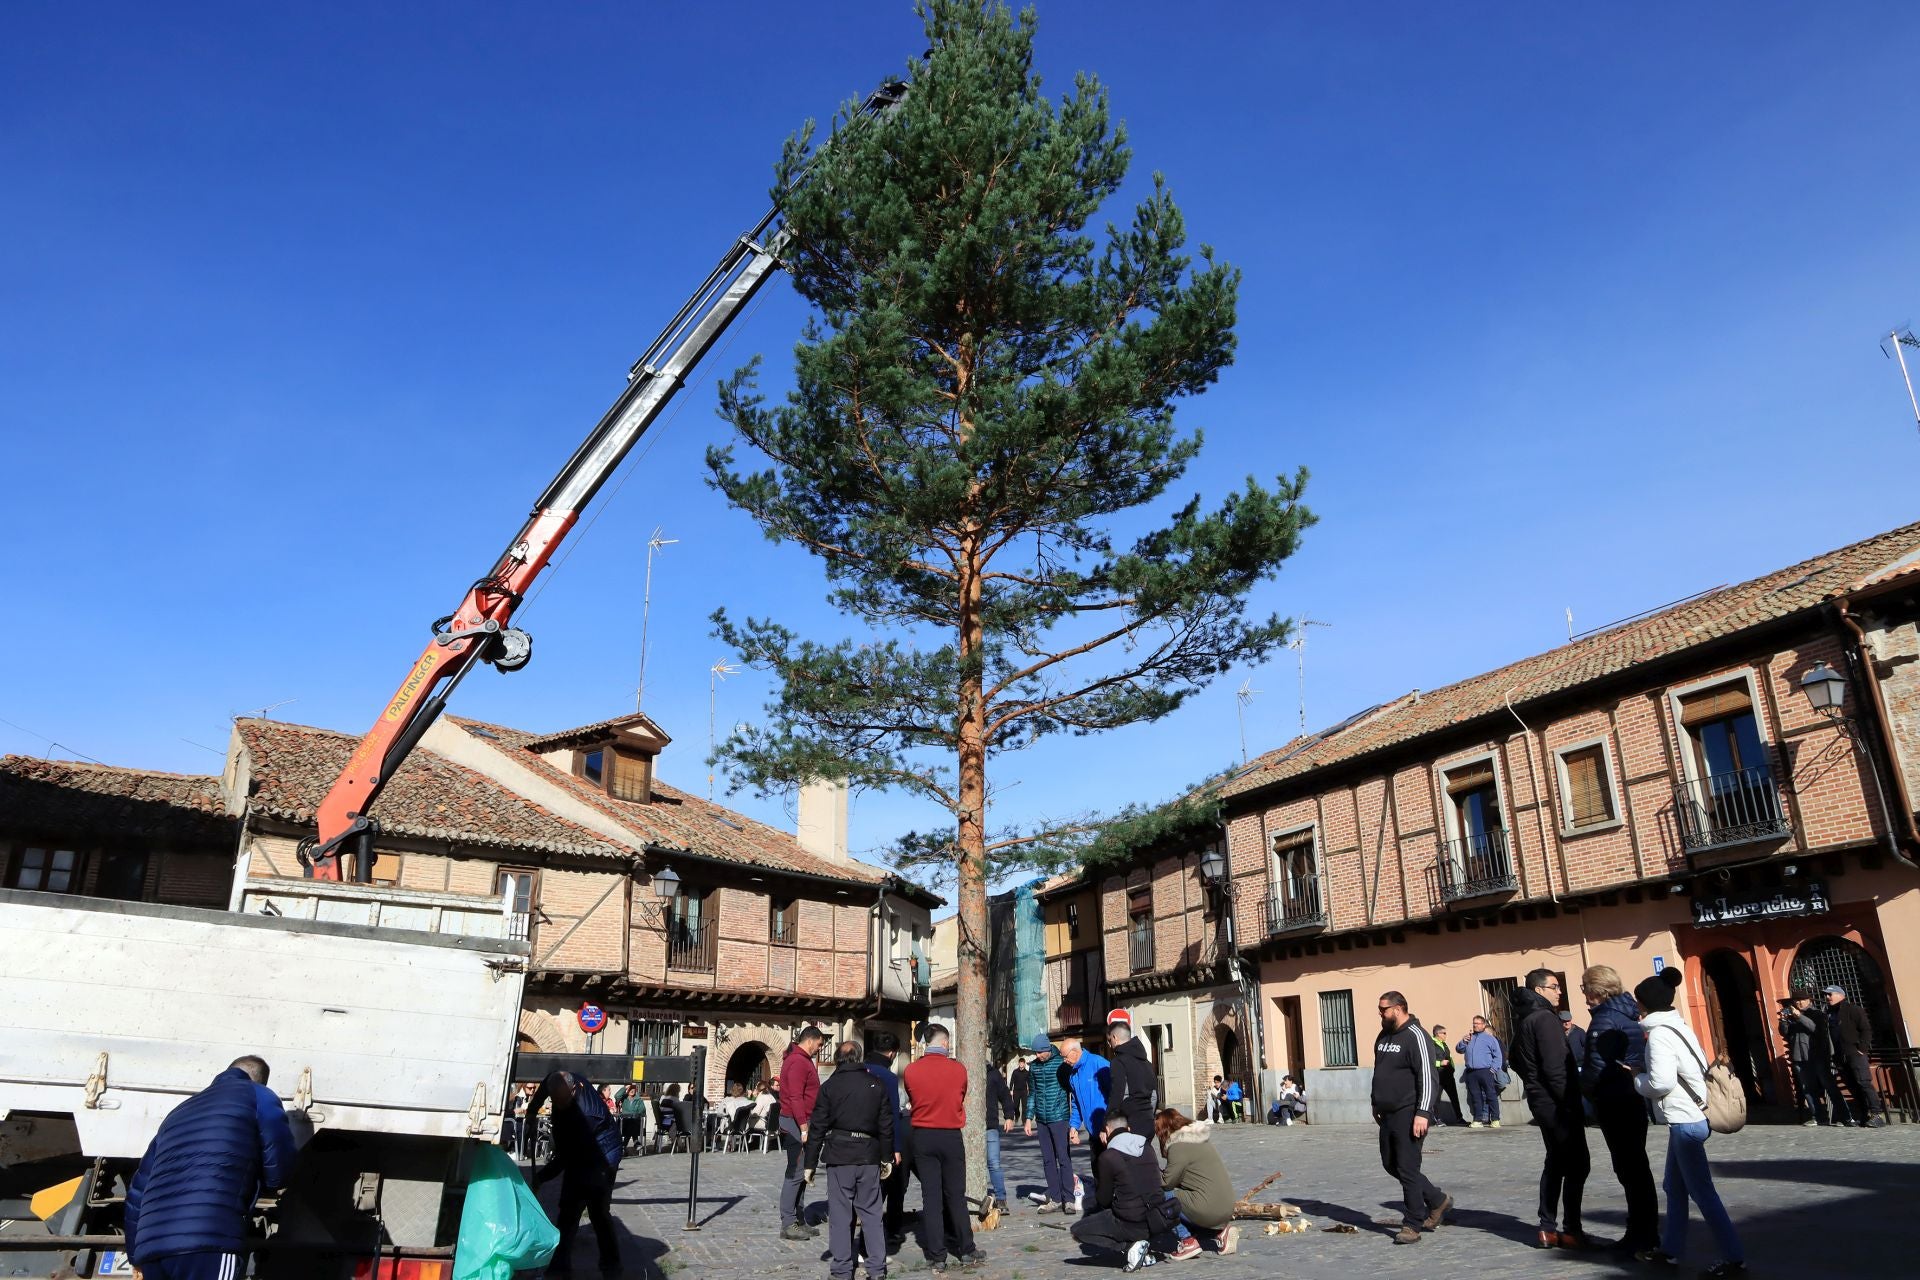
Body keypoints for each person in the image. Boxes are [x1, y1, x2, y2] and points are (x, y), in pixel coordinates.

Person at [123, 1055, 297, 1280]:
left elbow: (137, 1192)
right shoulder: (257, 1095)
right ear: (259, 1080)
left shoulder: (177, 1113)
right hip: (209, 1241)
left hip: (152, 1249)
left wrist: (135, 1256)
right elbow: (279, 1161)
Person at [1634, 968, 1744, 1277]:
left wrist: (1635, 1078)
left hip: (1685, 1120)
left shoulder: (1658, 1036)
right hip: (1693, 1116)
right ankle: (1670, 1251)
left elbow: (1661, 1083)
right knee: (1674, 1186)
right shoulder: (1681, 1027)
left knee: (1703, 1192)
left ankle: (1734, 1258)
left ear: (1645, 1004)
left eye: (1638, 1001)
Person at [1511, 969, 1594, 1251]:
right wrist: (1570, 1104)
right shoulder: (1545, 1019)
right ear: (1538, 990)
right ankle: (1571, 1229)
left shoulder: (1525, 1017)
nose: (1560, 991)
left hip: (1542, 1101)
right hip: (1557, 1104)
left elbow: (1515, 1059)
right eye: (1555, 986)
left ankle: (1547, 1228)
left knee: (1556, 1162)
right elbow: (1556, 1068)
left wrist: (1533, 1084)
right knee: (1577, 1164)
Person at [1579, 964, 1658, 1255]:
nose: (1584, 994)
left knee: (1629, 1169)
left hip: (1613, 1099)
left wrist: (1584, 1091)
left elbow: (1596, 1067)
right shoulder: (1629, 1014)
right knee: (1638, 1168)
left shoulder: (1605, 1020)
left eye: (1585, 987)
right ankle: (1644, 1230)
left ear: (1597, 991)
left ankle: (1640, 1234)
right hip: (1632, 1097)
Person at [804, 1041, 898, 1280]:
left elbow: (817, 1128)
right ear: (859, 1058)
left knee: (840, 1214)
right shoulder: (875, 1085)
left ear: (838, 1059)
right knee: (872, 1214)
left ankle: (842, 1269)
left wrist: (810, 1163)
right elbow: (886, 1125)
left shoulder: (830, 1086)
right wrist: (886, 1157)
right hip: (868, 1155)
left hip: (840, 1156)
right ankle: (876, 1269)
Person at [901, 1024, 982, 1274]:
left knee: (931, 1197)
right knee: (955, 1195)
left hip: (923, 1136)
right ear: (945, 1043)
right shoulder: (958, 1069)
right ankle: (966, 1249)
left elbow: (912, 1099)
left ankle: (937, 1255)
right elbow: (961, 1096)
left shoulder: (912, 1071)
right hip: (950, 1135)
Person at [527, 1070, 623, 1277]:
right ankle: (560, 1267)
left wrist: (540, 1178)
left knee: (596, 1211)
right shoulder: (558, 1080)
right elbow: (545, 1086)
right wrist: (531, 1113)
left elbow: (566, 1158)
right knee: (568, 1212)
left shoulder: (587, 1115)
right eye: (555, 1101)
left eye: (562, 1101)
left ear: (574, 1089)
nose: (559, 1106)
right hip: (578, 1151)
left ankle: (611, 1266)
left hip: (603, 1155)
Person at [1373, 991, 1450, 1245]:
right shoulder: (1384, 1036)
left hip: (1410, 1111)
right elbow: (1380, 1072)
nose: (1380, 1013)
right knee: (1390, 1164)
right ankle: (1438, 1200)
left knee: (1407, 1167)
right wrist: (1376, 1102)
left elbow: (1427, 1077)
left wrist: (1423, 1113)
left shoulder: (1417, 1036)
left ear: (1398, 1008)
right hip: (1388, 1113)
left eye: (1383, 1009)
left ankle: (1413, 1223)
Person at [1068, 1115, 1181, 1272]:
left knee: (1077, 1231)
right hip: (1158, 1218)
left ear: (1107, 1131)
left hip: (1131, 1222)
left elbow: (1104, 1200)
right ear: (1128, 1130)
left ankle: (1130, 1247)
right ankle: (1142, 1249)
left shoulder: (1108, 1156)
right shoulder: (1147, 1147)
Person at [1156, 1109, 1239, 1255]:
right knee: (1184, 1199)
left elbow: (1166, 1183)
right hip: (1227, 1205)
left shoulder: (1178, 1146)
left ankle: (1187, 1241)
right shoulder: (1199, 1139)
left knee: (1162, 1195)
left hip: (1208, 1206)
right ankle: (1220, 1232)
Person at [778, 1025, 827, 1240]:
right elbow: (796, 1097)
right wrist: (804, 1127)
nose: (819, 1048)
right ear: (811, 1040)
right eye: (819, 1044)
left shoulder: (800, 1060)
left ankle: (799, 1219)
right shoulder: (798, 1062)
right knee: (795, 1173)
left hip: (801, 1123)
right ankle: (788, 1223)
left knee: (803, 1174)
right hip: (797, 1125)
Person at [1778, 989, 1849, 1126]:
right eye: (1796, 1000)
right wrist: (1783, 1021)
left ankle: (1844, 1116)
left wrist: (1800, 1017)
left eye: (1802, 1000)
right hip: (1799, 1056)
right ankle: (1818, 1117)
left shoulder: (1817, 1014)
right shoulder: (1791, 1016)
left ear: (1809, 1000)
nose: (1798, 1002)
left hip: (1817, 1056)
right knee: (1808, 1088)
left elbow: (1815, 1029)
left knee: (1829, 1086)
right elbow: (1785, 1033)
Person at [1025, 1035, 1075, 1214]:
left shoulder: (1061, 1064)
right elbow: (1032, 1094)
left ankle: (1068, 1199)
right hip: (1042, 1120)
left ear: (1048, 1049)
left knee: (1063, 1158)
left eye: (1040, 1052)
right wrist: (1028, 1118)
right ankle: (1054, 1197)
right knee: (1047, 1160)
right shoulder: (1034, 1067)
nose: (1038, 1055)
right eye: (1036, 1052)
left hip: (1059, 1117)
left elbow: (1071, 1088)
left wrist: (1074, 1120)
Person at [1824, 984, 1887, 1126]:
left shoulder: (1853, 1009)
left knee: (1863, 1082)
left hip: (1855, 1053)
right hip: (1840, 1056)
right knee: (1852, 1085)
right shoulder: (1829, 1013)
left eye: (1830, 994)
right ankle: (1864, 1115)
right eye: (1826, 995)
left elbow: (1866, 1029)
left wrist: (1861, 1049)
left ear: (1841, 995)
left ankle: (1877, 1114)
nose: (1827, 997)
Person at [1060, 1035, 1112, 1179]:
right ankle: (1101, 1201)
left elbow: (1115, 1095)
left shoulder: (1098, 1064)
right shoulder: (1073, 1074)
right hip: (1093, 1133)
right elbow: (1076, 1102)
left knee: (1111, 1174)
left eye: (1065, 1057)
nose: (1064, 1061)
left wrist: (1109, 1124)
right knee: (1097, 1172)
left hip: (1108, 1131)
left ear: (1074, 1052)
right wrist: (1074, 1126)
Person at [1103, 1011, 1158, 1137]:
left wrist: (1106, 1124)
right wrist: (1150, 1114)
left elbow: (1117, 1094)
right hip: (1148, 1122)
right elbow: (1154, 1094)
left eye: (1109, 1039)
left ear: (1115, 1038)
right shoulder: (1146, 1061)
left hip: (1129, 1124)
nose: (1109, 1044)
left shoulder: (1118, 1062)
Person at [1455, 1015, 1505, 1127]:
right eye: (1474, 1023)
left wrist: (1492, 1069)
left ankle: (1495, 1119)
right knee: (1476, 1096)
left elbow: (1498, 1056)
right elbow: (1459, 1049)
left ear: (1483, 1025)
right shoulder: (1469, 1038)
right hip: (1471, 1072)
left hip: (1486, 1071)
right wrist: (1463, 1041)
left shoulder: (1490, 1039)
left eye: (1477, 1023)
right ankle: (1478, 1120)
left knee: (1490, 1095)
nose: (1475, 1025)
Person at [984, 1059, 1016, 1215]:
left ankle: (1001, 1198)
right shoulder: (962, 1071)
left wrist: (1009, 1116)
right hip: (967, 1127)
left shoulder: (993, 1074)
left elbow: (1005, 1095)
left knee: (994, 1163)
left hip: (990, 1125)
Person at [1430, 1025, 1463, 1125]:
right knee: (1436, 1099)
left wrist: (1452, 1068)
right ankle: (1437, 1119)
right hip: (1438, 1076)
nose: (1446, 1035)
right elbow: (1429, 1060)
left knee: (1454, 1097)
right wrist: (1440, 1063)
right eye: (1444, 1033)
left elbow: (1449, 1058)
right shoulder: (1431, 1044)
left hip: (1448, 1075)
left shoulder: (1444, 1044)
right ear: (1437, 1034)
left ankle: (1459, 1118)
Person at [618, 1083, 647, 1154]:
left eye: (634, 1088)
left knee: (632, 1123)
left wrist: (635, 1115)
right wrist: (625, 1088)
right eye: (630, 1088)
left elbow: (643, 1111)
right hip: (624, 1123)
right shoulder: (624, 1098)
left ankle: (623, 1146)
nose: (632, 1090)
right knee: (630, 1123)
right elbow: (617, 1095)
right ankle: (636, 1142)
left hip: (635, 1123)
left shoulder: (639, 1100)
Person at [1010, 1056, 1031, 1124]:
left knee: (1024, 1106)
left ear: (1024, 1064)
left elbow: (1029, 1082)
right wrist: (1011, 1090)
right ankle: (1017, 1115)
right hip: (1016, 1091)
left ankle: (1024, 1120)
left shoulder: (1027, 1072)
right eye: (1020, 1063)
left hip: (1024, 1091)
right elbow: (1012, 1081)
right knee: (1016, 1106)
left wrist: (1029, 1090)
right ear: (1019, 1064)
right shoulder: (1015, 1072)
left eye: (1022, 1063)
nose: (1021, 1064)